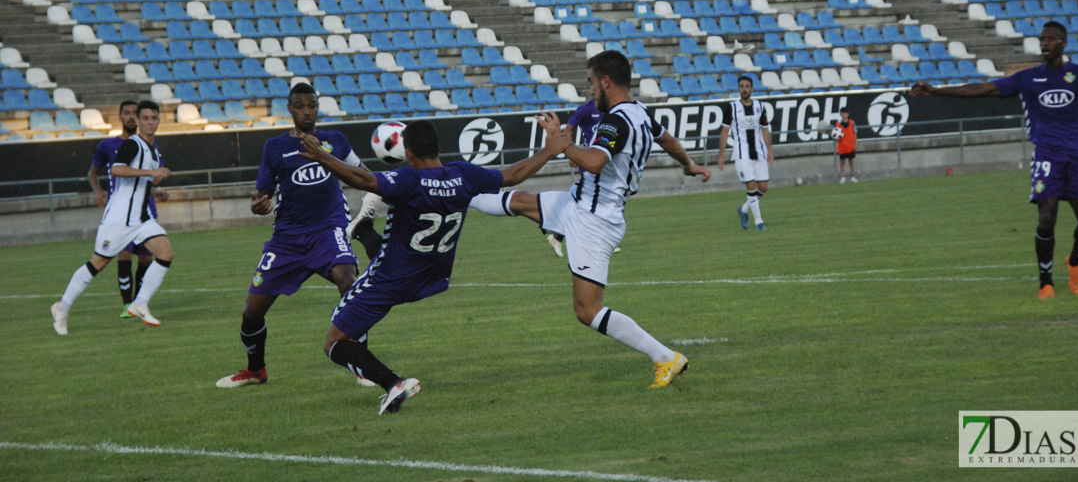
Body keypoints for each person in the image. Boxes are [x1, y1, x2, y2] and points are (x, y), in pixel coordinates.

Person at [469, 50, 711, 388]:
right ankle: (455, 193)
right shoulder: (640, 113)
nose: (590, 90)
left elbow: (595, 162)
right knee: (521, 201)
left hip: (594, 222)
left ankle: (665, 357)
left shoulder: (616, 120)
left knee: (587, 310)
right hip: (579, 205)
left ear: (606, 81)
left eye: (591, 83)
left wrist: (562, 145)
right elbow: (666, 140)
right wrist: (687, 164)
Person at [299, 115, 569, 414]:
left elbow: (363, 180)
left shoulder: (409, 180)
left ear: (408, 153)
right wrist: (548, 150)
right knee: (389, 250)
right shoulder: (465, 175)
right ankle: (363, 231)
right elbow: (513, 175)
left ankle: (392, 383)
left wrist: (322, 156)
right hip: (431, 276)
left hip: (391, 278)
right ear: (438, 147)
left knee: (334, 341)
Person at [910, 21, 1078, 299]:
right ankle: (1046, 282)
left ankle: (1074, 262)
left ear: (1063, 43)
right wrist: (936, 91)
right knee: (1047, 215)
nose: (1044, 43)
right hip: (1047, 157)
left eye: (1050, 39)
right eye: (1042, 39)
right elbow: (983, 90)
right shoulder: (1028, 78)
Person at [217, 82, 372, 388]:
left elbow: (364, 175)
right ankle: (255, 370)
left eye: (312, 105)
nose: (306, 112)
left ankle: (363, 365)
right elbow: (260, 197)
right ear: (289, 109)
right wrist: (258, 206)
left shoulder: (336, 141)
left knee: (349, 283)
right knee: (251, 313)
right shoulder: (275, 148)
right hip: (287, 239)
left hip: (328, 231)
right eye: (300, 106)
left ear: (318, 108)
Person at [52, 100, 174, 334]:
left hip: (142, 217)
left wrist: (155, 182)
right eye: (145, 118)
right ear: (138, 121)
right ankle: (62, 307)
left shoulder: (154, 149)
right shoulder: (132, 144)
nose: (150, 122)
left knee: (165, 253)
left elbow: (142, 181)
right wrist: (151, 172)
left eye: (154, 118)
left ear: (158, 121)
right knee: (97, 264)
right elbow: (117, 170)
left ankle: (139, 304)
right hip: (119, 218)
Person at [88, 100, 166, 316]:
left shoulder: (151, 146)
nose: (131, 117)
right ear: (121, 117)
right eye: (127, 113)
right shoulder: (107, 146)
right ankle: (126, 303)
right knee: (123, 254)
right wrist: (97, 190)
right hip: (120, 211)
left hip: (145, 208)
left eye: (134, 113)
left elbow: (148, 181)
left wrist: (156, 191)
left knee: (146, 258)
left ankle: (137, 303)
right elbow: (92, 172)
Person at [544, 99, 603, 257]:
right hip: (588, 158)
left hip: (603, 158)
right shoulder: (586, 109)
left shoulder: (612, 108)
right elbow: (568, 129)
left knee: (586, 197)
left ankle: (557, 236)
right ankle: (596, 240)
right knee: (592, 194)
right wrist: (572, 152)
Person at [717, 74, 773, 231]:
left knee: (763, 187)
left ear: (752, 89)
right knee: (751, 185)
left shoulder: (760, 107)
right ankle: (759, 221)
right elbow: (724, 132)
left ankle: (744, 209)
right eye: (742, 86)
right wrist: (721, 154)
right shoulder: (732, 108)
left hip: (759, 152)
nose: (744, 89)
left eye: (747, 86)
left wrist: (769, 149)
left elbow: (765, 129)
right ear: (738, 89)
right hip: (742, 153)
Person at [834, 107, 858, 183]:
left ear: (848, 114)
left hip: (850, 146)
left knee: (851, 162)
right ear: (841, 114)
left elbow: (854, 133)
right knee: (842, 162)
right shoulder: (838, 124)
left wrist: (855, 143)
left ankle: (853, 176)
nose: (844, 115)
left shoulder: (852, 122)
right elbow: (836, 135)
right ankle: (843, 177)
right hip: (842, 146)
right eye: (842, 113)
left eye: (845, 113)